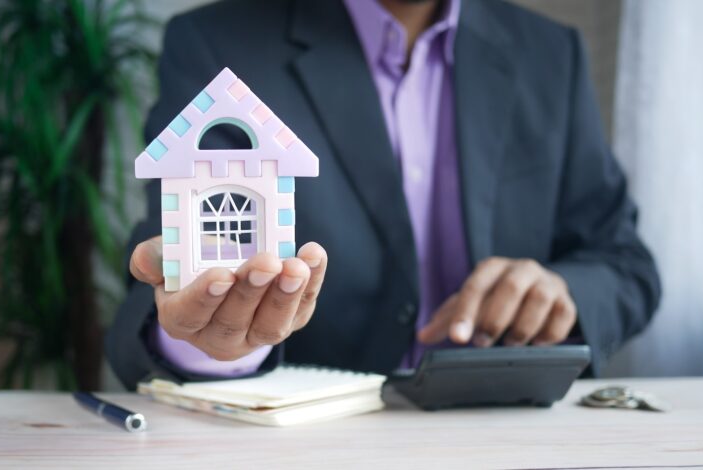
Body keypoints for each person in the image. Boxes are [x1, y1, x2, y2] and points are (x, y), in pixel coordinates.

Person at [106, 0, 660, 389]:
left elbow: (625, 264)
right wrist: (211, 343)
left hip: (511, 428)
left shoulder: (550, 53)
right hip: (314, 442)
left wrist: (562, 291)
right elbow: (172, 272)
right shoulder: (217, 46)